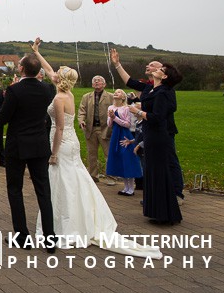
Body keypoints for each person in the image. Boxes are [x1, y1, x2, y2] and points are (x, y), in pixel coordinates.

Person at [28, 39, 161, 257]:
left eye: (59, 73)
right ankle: (79, 216)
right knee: (75, 178)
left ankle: (66, 223)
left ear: (61, 79)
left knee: (63, 181)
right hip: (71, 141)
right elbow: (49, 69)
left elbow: (59, 128)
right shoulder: (68, 93)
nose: (55, 73)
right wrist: (37, 52)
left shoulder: (60, 98)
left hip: (62, 142)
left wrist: (53, 153)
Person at [0, 53, 56, 252]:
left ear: (21, 69)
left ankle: (22, 237)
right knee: (43, 191)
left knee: (15, 190)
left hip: (18, 146)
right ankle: (50, 239)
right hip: (39, 145)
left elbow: (1, 119)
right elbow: (52, 78)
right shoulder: (48, 89)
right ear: (38, 71)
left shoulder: (15, 90)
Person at [111, 49, 184, 203]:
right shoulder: (147, 87)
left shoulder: (166, 90)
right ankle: (154, 195)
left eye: (153, 65)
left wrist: (140, 111)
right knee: (149, 163)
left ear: (163, 73)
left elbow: (167, 110)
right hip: (148, 129)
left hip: (164, 130)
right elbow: (129, 82)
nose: (148, 66)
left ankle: (177, 193)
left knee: (170, 161)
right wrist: (117, 64)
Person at [78, 75, 115, 185]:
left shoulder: (111, 97)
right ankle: (93, 176)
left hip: (106, 129)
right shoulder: (86, 97)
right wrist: (81, 121)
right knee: (91, 154)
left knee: (108, 154)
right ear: (92, 84)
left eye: (99, 81)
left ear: (104, 84)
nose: (96, 82)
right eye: (94, 81)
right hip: (91, 129)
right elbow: (82, 111)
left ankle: (111, 177)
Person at [106, 89, 143, 196]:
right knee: (120, 160)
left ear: (123, 97)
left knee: (127, 159)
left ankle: (131, 188)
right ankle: (125, 187)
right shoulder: (110, 107)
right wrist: (111, 118)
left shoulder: (126, 108)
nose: (116, 93)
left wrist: (115, 118)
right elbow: (109, 124)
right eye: (115, 92)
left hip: (124, 135)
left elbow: (127, 124)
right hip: (115, 135)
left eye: (119, 92)